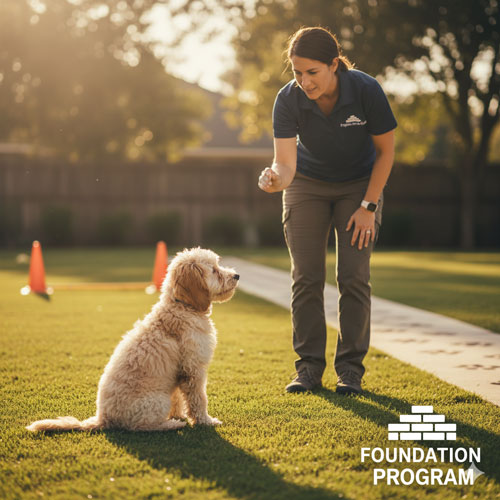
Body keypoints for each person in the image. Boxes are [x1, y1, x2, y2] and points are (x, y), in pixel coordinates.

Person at [258, 26, 397, 395]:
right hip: (306, 183)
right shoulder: (288, 99)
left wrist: (368, 206)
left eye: (312, 72)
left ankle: (349, 371)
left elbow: (386, 152)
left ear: (334, 64)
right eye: (297, 72)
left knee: (352, 276)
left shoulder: (366, 90)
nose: (304, 81)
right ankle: (308, 369)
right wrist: (275, 179)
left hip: (359, 186)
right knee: (306, 276)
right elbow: (285, 165)